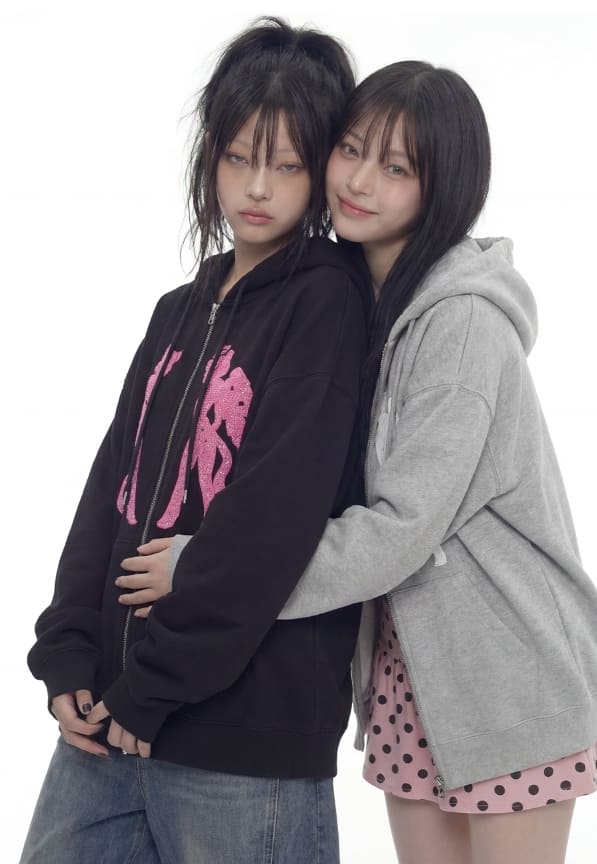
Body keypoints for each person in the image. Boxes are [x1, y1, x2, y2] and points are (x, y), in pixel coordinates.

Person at [21, 18, 369, 864]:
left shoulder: (326, 304)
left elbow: (274, 522)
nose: (257, 187)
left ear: (322, 170)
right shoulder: (179, 308)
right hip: (105, 727)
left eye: (287, 165)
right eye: (238, 158)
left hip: (241, 749)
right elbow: (112, 486)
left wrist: (154, 686)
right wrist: (67, 653)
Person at [275, 61, 597, 863]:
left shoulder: (460, 325)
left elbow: (398, 529)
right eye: (351, 149)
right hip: (410, 676)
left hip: (509, 676)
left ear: (442, 188)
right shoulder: (361, 303)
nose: (359, 181)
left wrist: (230, 582)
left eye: (396, 168)